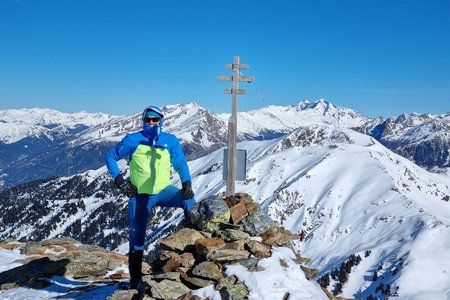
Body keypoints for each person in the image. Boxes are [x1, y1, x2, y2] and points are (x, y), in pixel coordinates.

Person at [105, 105, 195, 293]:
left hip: (164, 191)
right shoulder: (133, 140)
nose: (152, 123)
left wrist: (187, 183)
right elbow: (110, 156)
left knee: (189, 202)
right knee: (137, 236)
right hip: (140, 195)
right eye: (148, 120)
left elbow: (180, 163)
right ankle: (135, 279)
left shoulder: (169, 140)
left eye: (155, 120)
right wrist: (120, 181)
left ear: (161, 120)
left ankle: (193, 251)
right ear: (143, 121)